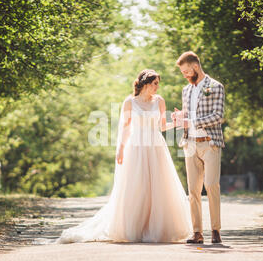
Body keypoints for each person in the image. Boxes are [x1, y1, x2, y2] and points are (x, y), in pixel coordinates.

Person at [56, 69, 192, 243]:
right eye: (155, 83)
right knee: (137, 186)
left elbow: (163, 127)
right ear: (145, 84)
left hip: (155, 145)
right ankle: (134, 227)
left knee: (158, 187)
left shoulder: (159, 101)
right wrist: (120, 149)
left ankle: (156, 228)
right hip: (135, 146)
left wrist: (179, 122)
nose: (157, 87)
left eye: (158, 83)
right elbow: (125, 128)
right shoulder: (130, 102)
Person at [171, 51, 225, 244]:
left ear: (195, 67)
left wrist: (192, 120)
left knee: (211, 185)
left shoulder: (216, 86)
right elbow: (187, 116)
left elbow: (219, 116)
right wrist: (180, 118)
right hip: (190, 144)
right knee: (193, 190)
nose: (185, 75)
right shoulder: (186, 90)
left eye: (186, 71)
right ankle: (197, 233)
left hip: (210, 142)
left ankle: (215, 230)